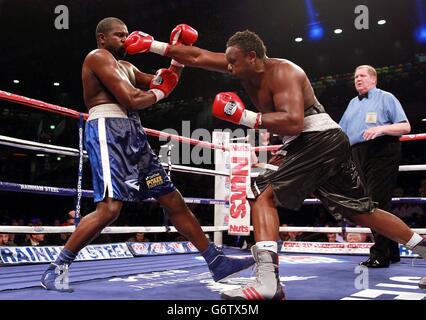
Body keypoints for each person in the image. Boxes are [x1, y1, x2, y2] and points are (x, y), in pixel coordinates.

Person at [125, 27, 426, 298]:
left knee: (262, 194)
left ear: (252, 57)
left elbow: (294, 122)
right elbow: (198, 55)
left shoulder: (284, 72)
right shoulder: (243, 67)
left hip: (315, 136)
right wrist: (155, 45)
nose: (228, 67)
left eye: (233, 62)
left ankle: (268, 282)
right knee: (363, 212)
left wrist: (243, 116)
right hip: (319, 142)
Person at [40, 18, 254, 292]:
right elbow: (133, 99)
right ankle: (56, 267)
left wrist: (178, 55)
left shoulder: (127, 67)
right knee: (110, 210)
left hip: (134, 135)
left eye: (127, 34)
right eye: (119, 35)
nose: (125, 39)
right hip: (109, 132)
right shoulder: (98, 57)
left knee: (171, 198)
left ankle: (216, 261)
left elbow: (164, 82)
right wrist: (160, 89)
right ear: (102, 38)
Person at [339, 65, 411, 268]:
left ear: (373, 79)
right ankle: (392, 252)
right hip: (357, 154)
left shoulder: (386, 97)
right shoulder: (352, 103)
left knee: (375, 203)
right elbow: (341, 132)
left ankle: (380, 255)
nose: (357, 79)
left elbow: (405, 126)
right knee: (372, 202)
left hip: (382, 150)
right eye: (355, 77)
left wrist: (381, 128)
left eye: (362, 76)